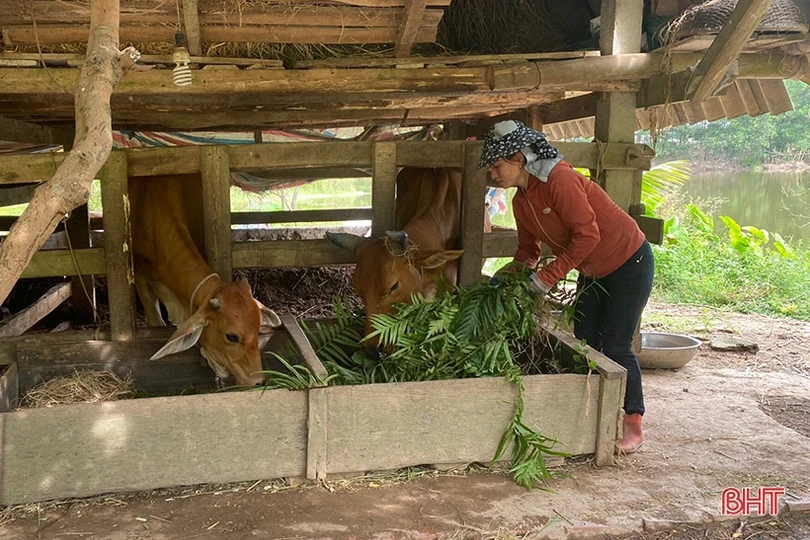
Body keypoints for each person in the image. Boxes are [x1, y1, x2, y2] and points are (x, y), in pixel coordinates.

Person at [480, 120, 654, 455]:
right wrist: (506, 279)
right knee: (587, 341)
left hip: (628, 261)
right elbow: (528, 252)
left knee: (616, 346)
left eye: (496, 165)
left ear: (518, 158)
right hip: (592, 270)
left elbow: (588, 236)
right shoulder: (521, 201)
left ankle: (632, 423)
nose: (492, 174)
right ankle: (596, 417)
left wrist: (547, 278)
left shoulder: (560, 179)